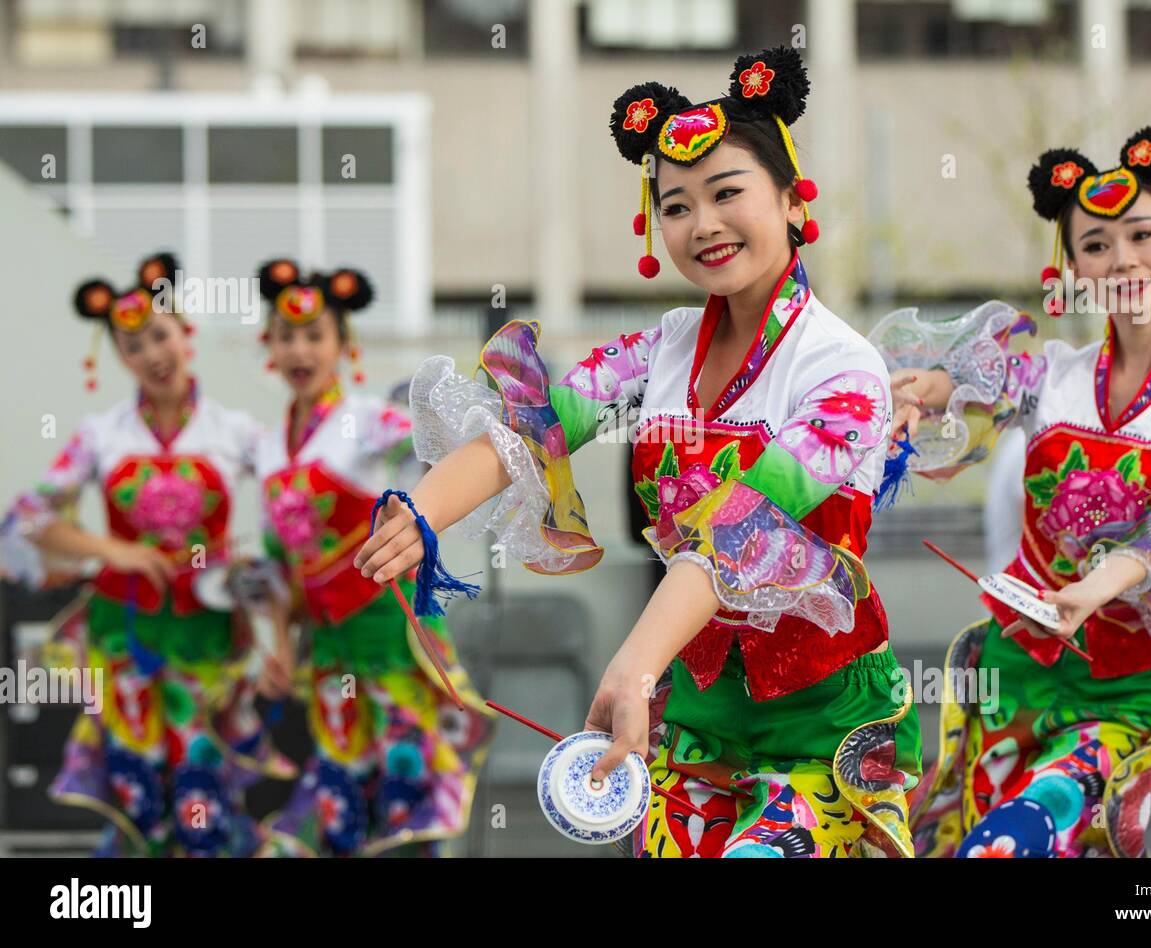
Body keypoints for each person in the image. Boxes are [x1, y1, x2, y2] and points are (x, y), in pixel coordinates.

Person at [355, 46, 928, 858]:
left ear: (796, 204)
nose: (703, 224)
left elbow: (741, 532)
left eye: (728, 194)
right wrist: (424, 510)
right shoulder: (661, 349)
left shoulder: (842, 369)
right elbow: (532, 427)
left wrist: (631, 669)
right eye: (677, 205)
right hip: (693, 722)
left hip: (821, 726)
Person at [885, 127, 1151, 857]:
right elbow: (977, 400)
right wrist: (927, 390)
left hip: (1124, 684)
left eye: (1140, 234)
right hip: (1015, 670)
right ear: (1073, 269)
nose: (1121, 259)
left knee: (1015, 841)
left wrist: (1094, 587)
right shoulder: (1050, 375)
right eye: (1095, 245)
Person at [0, 253, 288, 856]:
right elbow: (30, 517)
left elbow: (294, 507)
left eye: (159, 335)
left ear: (186, 335)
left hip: (206, 638)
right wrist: (113, 551)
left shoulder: (235, 432)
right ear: (119, 359)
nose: (152, 354)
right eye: (132, 346)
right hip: (123, 636)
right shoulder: (101, 434)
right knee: (135, 785)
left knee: (202, 784)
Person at [251, 259, 493, 857]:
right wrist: (279, 645)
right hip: (331, 658)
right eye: (286, 336)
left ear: (343, 344)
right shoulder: (265, 447)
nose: (300, 350)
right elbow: (280, 568)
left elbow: (447, 446)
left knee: (403, 813)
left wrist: (418, 495)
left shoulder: (366, 421)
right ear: (269, 346)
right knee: (337, 813)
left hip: (392, 645)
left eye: (314, 335)